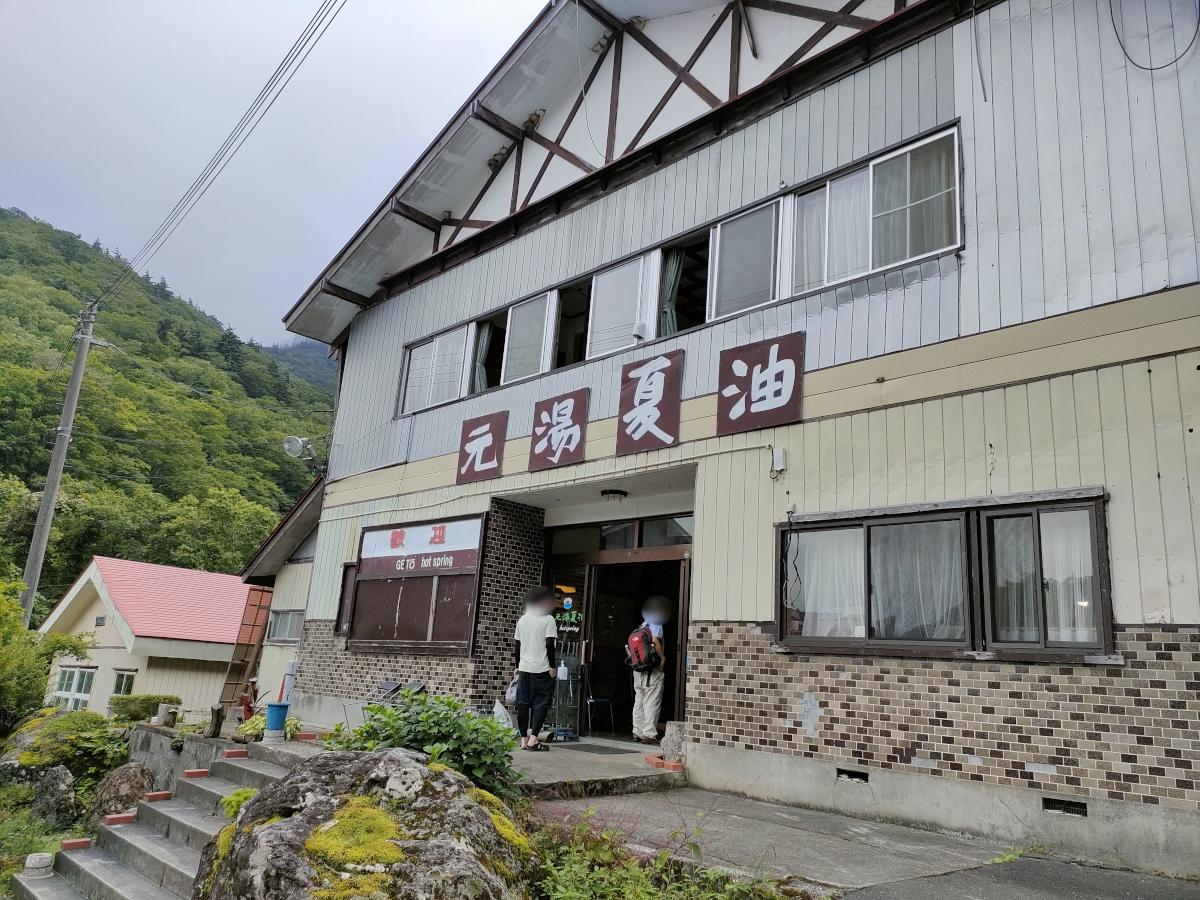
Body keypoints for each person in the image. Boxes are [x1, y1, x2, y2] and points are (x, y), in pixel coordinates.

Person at [513, 585, 558, 751]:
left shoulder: (522, 620)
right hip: (542, 669)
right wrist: (552, 666)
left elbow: (517, 646)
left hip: (524, 668)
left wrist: (517, 666)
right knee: (541, 704)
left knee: (523, 704)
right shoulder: (548, 620)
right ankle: (533, 740)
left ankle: (523, 741)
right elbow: (550, 644)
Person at [631, 594, 671, 744]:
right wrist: (663, 658)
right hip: (651, 671)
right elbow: (655, 640)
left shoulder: (641, 626)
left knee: (639, 701)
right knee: (651, 700)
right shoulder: (656, 623)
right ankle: (649, 734)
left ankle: (637, 731)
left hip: (638, 670)